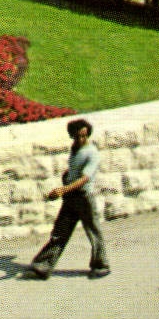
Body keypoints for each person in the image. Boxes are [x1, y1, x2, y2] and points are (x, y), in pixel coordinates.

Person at [27, 119, 109, 280]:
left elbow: (85, 178)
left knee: (93, 231)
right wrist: (67, 176)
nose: (81, 140)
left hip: (84, 197)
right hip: (71, 198)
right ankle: (43, 265)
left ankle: (101, 265)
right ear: (72, 135)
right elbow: (74, 169)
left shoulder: (91, 153)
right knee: (60, 231)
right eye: (77, 136)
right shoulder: (75, 149)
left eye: (84, 136)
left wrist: (63, 189)